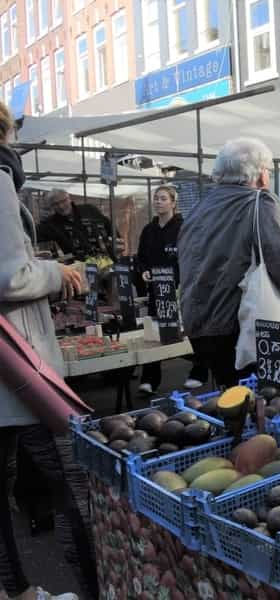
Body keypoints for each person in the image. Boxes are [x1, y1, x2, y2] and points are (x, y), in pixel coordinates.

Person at [0, 100, 97, 600]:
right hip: (18, 372)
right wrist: (55, 273)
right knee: (72, 482)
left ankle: (14, 590)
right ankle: (94, 586)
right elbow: (9, 276)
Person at [178, 138, 280, 387]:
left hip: (199, 326)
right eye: (267, 169)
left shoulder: (200, 207)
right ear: (260, 175)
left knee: (231, 397)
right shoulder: (259, 202)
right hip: (241, 326)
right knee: (263, 402)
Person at [136, 185, 208, 394]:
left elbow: (194, 257)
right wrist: (144, 271)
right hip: (156, 291)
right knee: (154, 333)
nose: (158, 202)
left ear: (173, 203)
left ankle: (199, 371)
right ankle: (149, 379)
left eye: (163, 198)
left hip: (181, 290)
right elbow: (141, 258)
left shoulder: (184, 228)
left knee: (190, 331)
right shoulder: (148, 231)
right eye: (156, 198)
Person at [37, 189, 113, 259]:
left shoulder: (89, 210)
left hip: (105, 259)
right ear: (51, 206)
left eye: (63, 201)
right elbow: (33, 235)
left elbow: (109, 226)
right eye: (55, 204)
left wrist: (117, 241)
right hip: (77, 266)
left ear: (69, 199)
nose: (61, 206)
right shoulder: (50, 224)